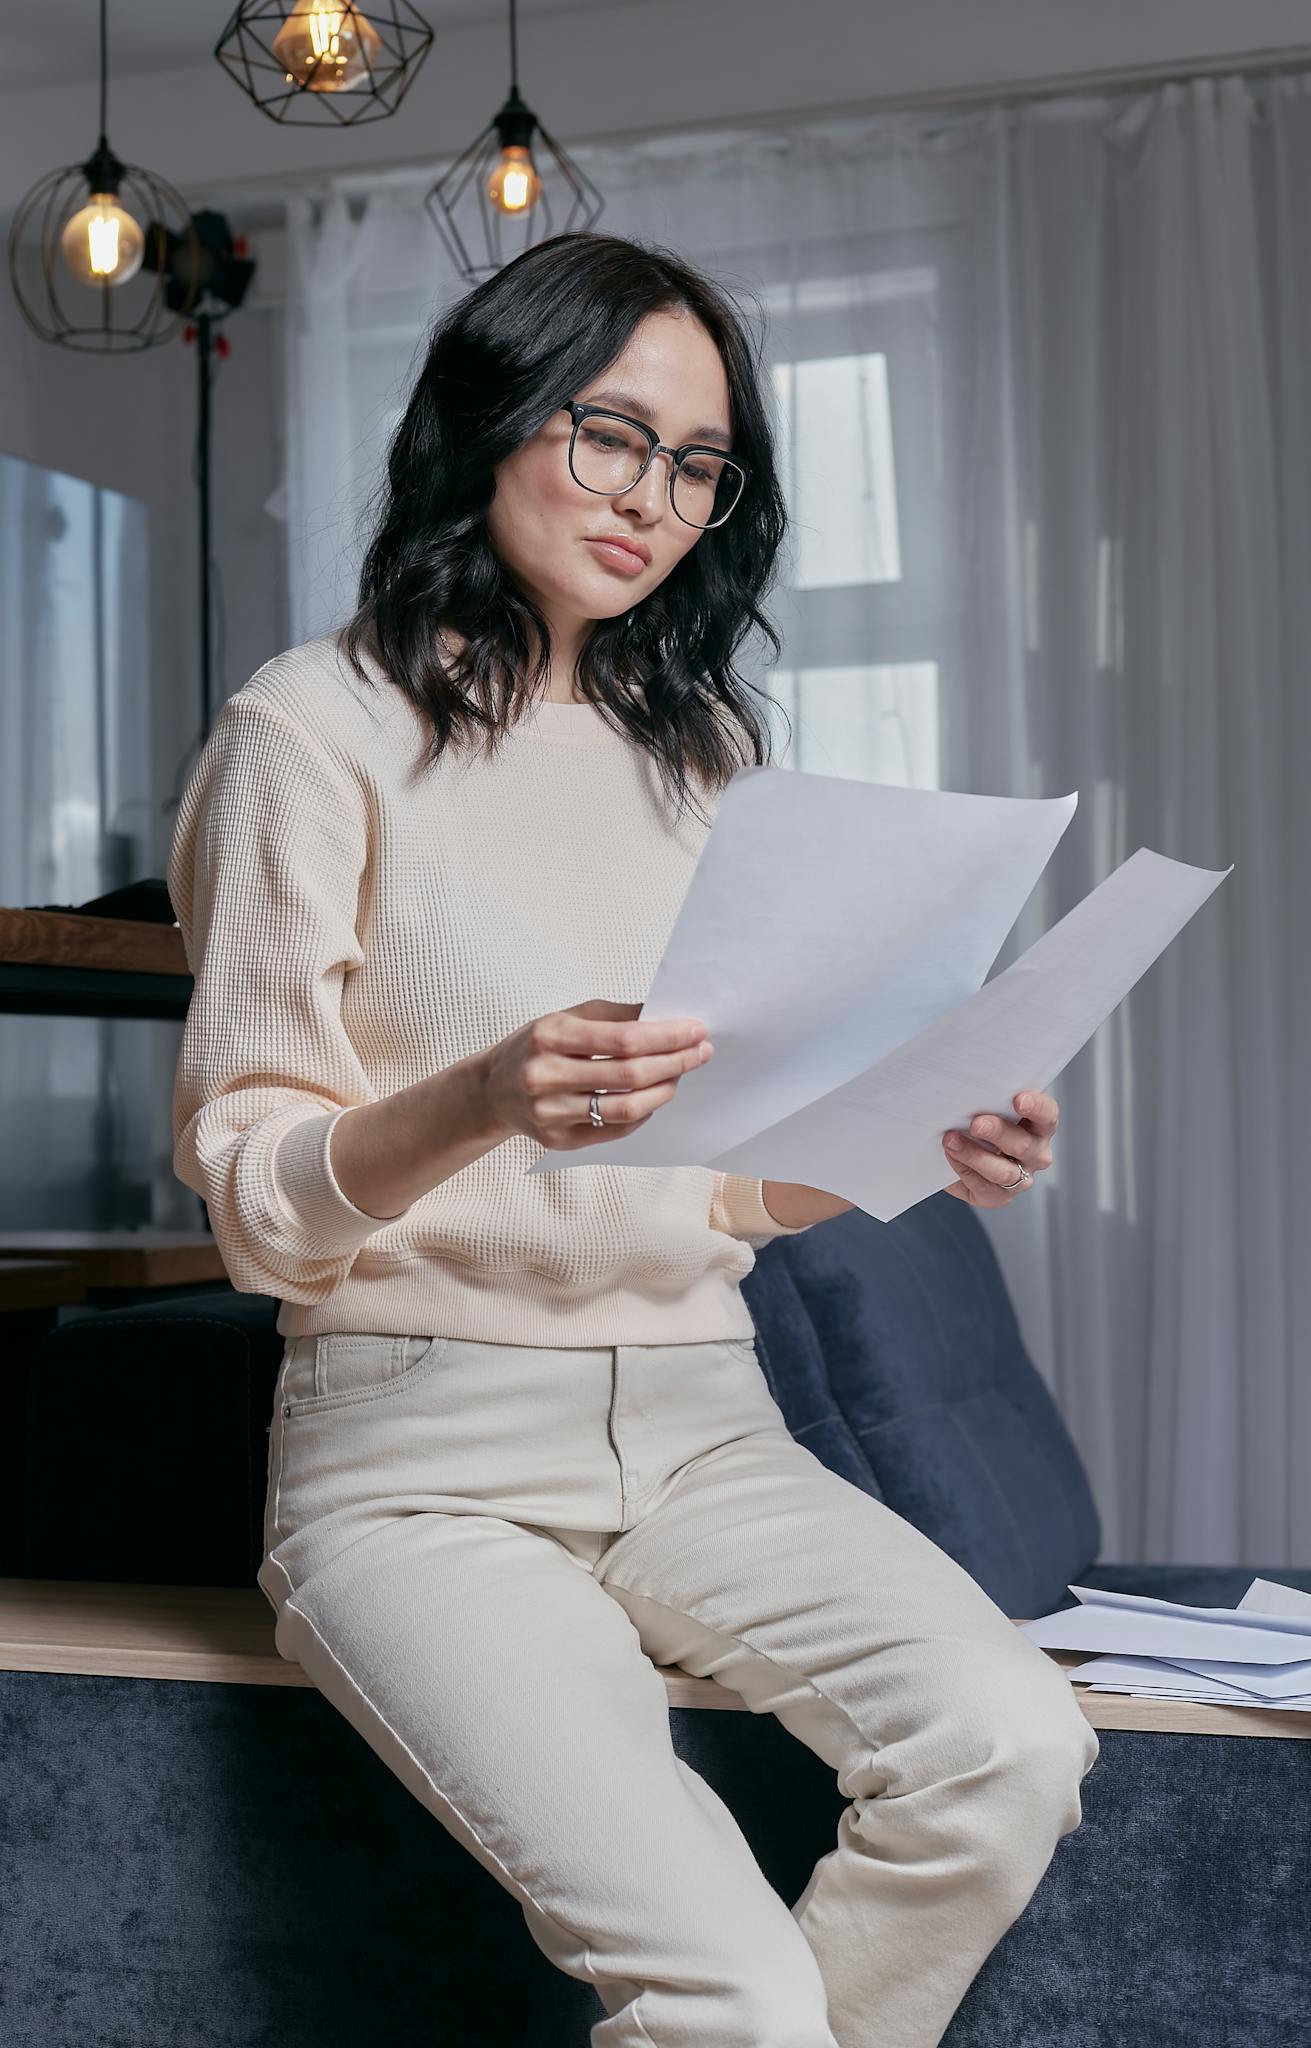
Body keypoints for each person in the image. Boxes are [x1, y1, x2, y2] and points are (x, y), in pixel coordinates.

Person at [167, 229, 1097, 2048]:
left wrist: (922, 1137)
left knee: (1010, 1747)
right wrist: (480, 1096)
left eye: (694, 464)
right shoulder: (311, 729)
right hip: (417, 1459)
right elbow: (258, 1208)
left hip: (705, 1432)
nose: (650, 499)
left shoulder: (705, 757)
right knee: (727, 1992)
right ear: (490, 419)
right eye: (609, 434)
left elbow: (728, 1183)